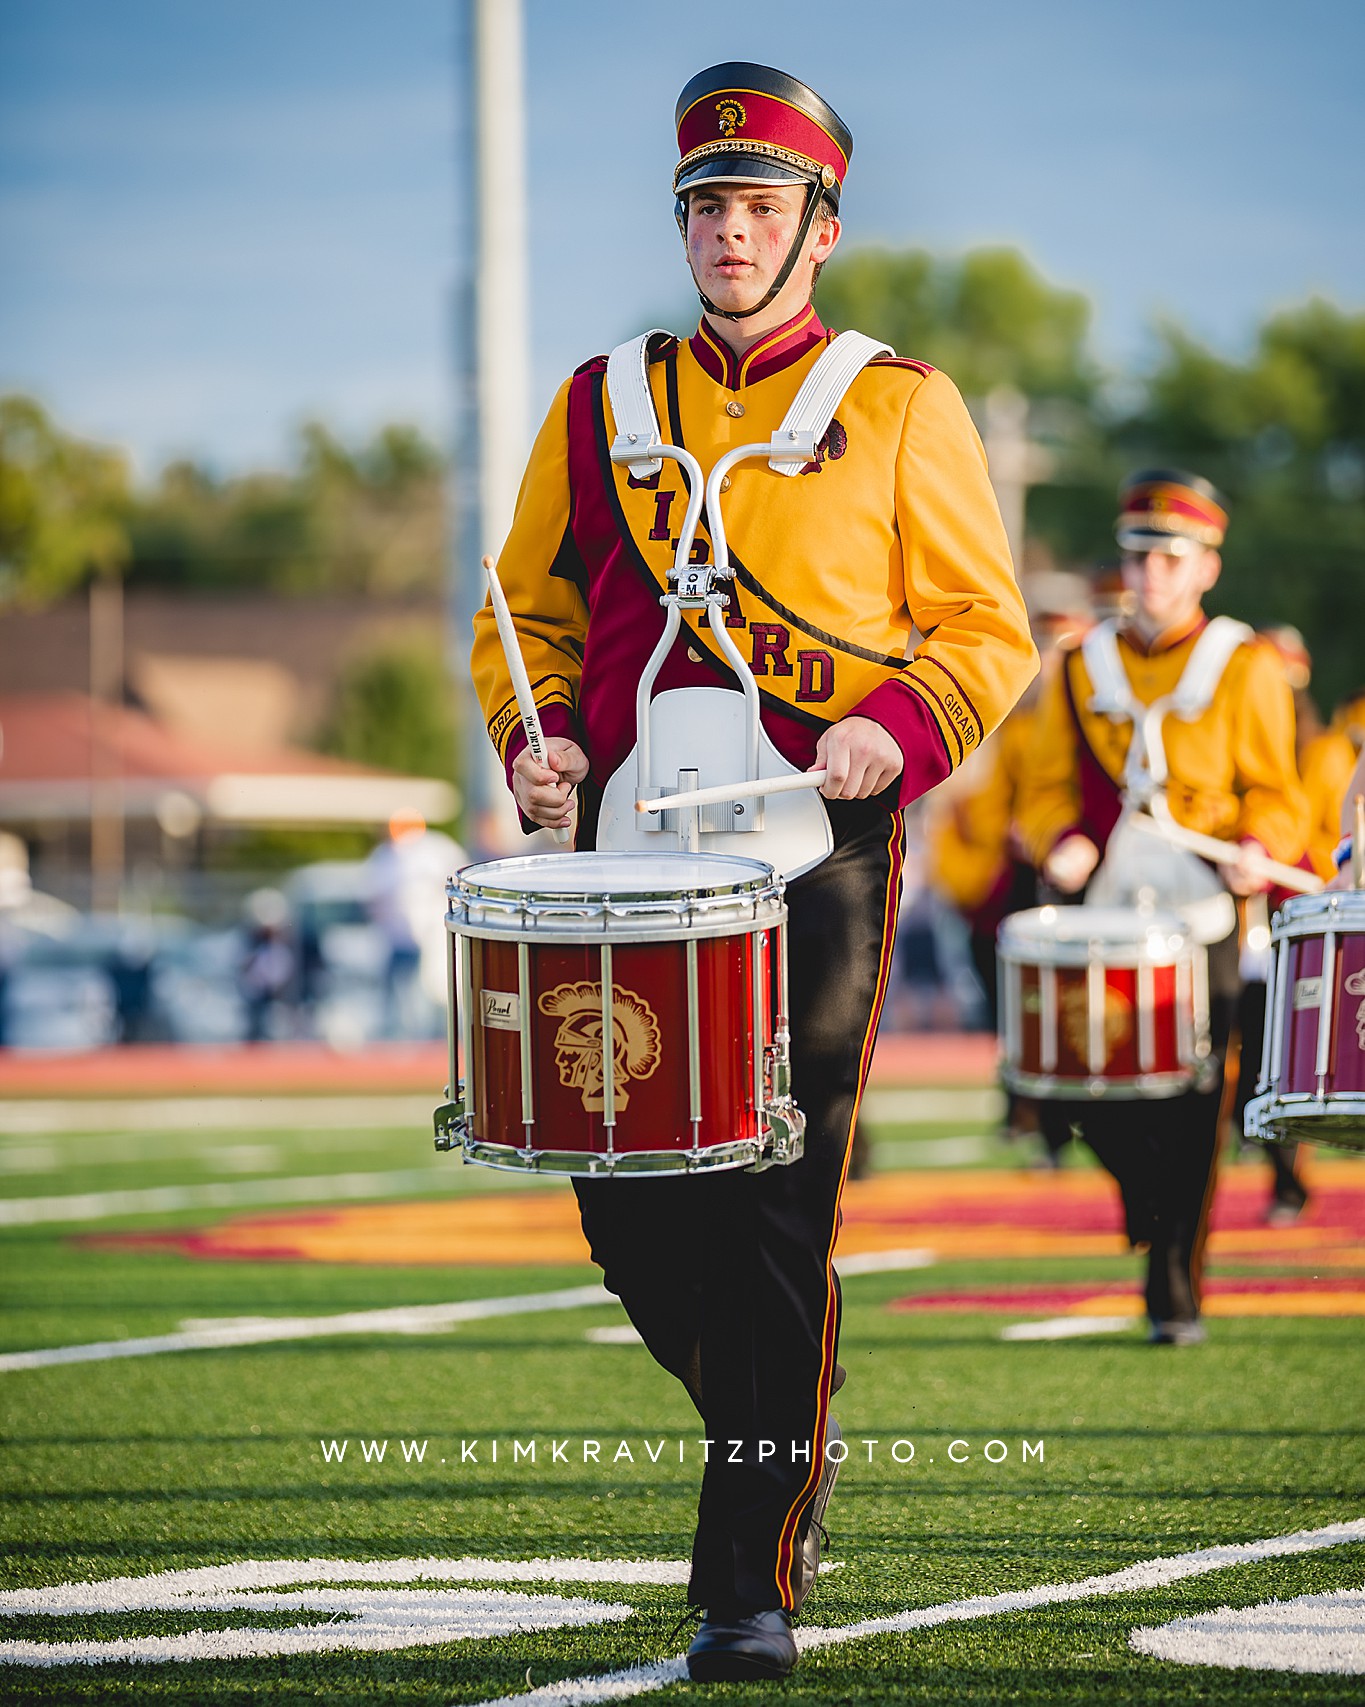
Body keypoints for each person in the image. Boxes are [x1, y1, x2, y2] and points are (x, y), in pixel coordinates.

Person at [471, 62, 1036, 1682]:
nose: (729, 232)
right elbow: (528, 614)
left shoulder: (902, 402)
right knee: (626, 1212)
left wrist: (894, 728)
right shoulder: (598, 403)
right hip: (627, 859)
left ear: (823, 228)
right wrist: (536, 742)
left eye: (761, 206)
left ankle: (748, 1580)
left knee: (779, 1208)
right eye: (707, 206)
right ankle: (783, 1418)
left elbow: (986, 629)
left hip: (818, 856)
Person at [1016, 470, 1309, 1345]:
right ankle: (1145, 1199)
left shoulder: (1244, 663)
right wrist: (1054, 837)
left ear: (1205, 567)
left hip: (1205, 908)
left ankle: (1172, 1278)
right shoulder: (1078, 663)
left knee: (1193, 1096)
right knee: (1075, 1084)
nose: (1148, 573)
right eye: (1138, 555)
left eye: (1169, 558)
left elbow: (1275, 787)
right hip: (1106, 903)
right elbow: (1040, 787)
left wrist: (1261, 841)